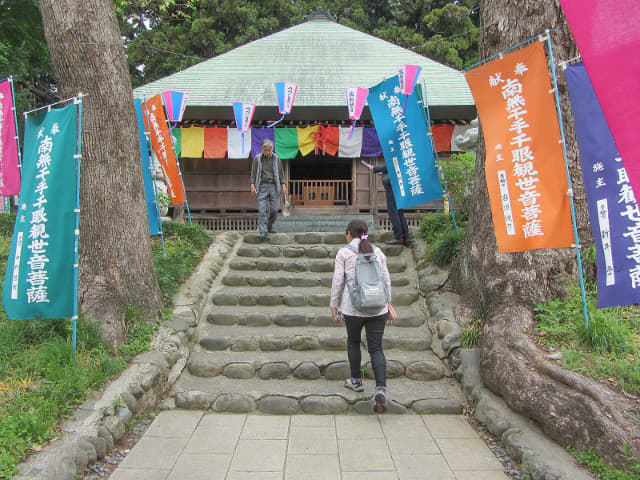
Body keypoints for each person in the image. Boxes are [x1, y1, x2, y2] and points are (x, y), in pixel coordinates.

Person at [330, 219, 393, 413]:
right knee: (376, 348)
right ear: (365, 233)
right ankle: (380, 388)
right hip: (378, 307)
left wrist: (334, 305)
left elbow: (337, 281)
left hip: (353, 308)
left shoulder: (344, 253)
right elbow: (386, 280)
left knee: (354, 342)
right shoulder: (378, 252)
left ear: (349, 233)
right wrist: (388, 304)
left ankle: (356, 380)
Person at [250, 139, 287, 237]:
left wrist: (283, 185)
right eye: (265, 150)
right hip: (262, 185)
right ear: (262, 149)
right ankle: (263, 231)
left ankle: (269, 227)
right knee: (262, 209)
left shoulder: (276, 159)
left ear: (272, 149)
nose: (267, 152)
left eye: (269, 150)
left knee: (274, 209)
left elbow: (281, 173)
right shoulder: (257, 159)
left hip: (274, 185)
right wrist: (252, 185)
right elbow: (253, 173)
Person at [368, 164, 410, 246]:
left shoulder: (393, 154)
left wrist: (374, 168)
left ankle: (398, 237)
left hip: (392, 188)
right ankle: (406, 237)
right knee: (399, 212)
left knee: (393, 212)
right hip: (399, 187)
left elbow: (390, 166)